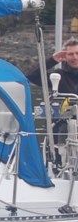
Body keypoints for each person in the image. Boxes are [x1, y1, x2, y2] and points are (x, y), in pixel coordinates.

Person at [26, 37, 78, 171]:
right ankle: (58, 167)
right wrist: (52, 60)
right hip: (62, 126)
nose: (74, 57)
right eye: (70, 54)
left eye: (77, 53)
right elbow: (32, 76)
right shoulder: (58, 75)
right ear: (64, 56)